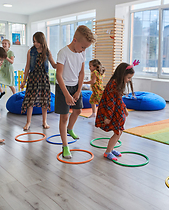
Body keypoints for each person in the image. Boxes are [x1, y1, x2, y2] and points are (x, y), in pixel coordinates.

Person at [55, 25, 96, 159]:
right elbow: (58, 75)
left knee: (78, 111)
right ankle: (65, 146)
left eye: (86, 48)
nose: (84, 50)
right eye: (83, 47)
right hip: (63, 87)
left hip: (75, 86)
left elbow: (82, 72)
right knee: (64, 117)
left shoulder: (82, 53)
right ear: (74, 40)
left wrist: (79, 90)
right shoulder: (63, 53)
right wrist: (66, 94)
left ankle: (70, 129)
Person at [95, 62, 136, 161]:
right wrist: (108, 116)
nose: (129, 80)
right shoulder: (113, 84)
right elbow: (110, 101)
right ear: (122, 75)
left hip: (116, 111)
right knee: (117, 132)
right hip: (112, 112)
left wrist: (124, 108)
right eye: (128, 78)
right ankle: (108, 152)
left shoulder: (117, 83)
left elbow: (119, 98)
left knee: (119, 131)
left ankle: (111, 149)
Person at [20, 32, 57, 131]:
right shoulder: (30, 51)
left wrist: (62, 63)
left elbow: (54, 64)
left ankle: (44, 121)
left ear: (42, 41)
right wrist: (24, 81)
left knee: (44, 100)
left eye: (37, 42)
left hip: (44, 78)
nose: (35, 43)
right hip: (33, 78)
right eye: (34, 41)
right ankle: (28, 122)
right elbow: (27, 67)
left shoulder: (47, 52)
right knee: (30, 100)